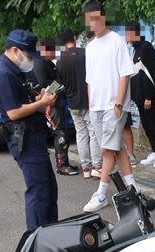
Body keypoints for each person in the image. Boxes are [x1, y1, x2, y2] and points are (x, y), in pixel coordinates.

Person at [0, 29, 59, 230]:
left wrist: (39, 98)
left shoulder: (15, 70)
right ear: (15, 50)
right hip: (24, 138)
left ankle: (52, 231)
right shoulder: (4, 73)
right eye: (28, 55)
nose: (30, 60)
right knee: (38, 191)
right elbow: (13, 112)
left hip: (34, 136)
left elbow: (22, 101)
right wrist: (42, 103)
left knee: (48, 187)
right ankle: (37, 237)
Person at [82, 1, 137, 213]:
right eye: (89, 20)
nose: (93, 23)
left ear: (104, 17)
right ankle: (132, 186)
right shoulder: (90, 47)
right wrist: (90, 104)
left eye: (96, 18)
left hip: (114, 105)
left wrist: (119, 102)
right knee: (116, 148)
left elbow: (125, 73)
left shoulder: (117, 41)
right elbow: (89, 80)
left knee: (107, 150)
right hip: (96, 106)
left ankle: (102, 193)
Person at [57, 28, 101, 179]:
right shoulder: (85, 53)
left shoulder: (60, 59)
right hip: (88, 100)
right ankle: (97, 167)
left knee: (81, 134)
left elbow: (59, 84)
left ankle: (86, 169)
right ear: (74, 38)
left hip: (72, 103)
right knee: (93, 133)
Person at [32, 36, 78, 176]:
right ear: (44, 49)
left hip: (57, 103)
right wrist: (60, 85)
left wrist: (60, 85)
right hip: (48, 105)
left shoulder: (50, 64)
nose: (54, 52)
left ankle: (65, 162)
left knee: (64, 132)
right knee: (60, 134)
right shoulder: (39, 64)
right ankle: (61, 165)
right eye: (51, 49)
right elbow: (44, 86)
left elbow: (58, 80)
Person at [126, 21, 155, 169]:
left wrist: (149, 97)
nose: (126, 37)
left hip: (147, 96)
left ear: (136, 33)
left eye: (128, 33)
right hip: (138, 96)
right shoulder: (135, 50)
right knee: (146, 124)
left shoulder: (147, 48)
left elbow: (151, 75)